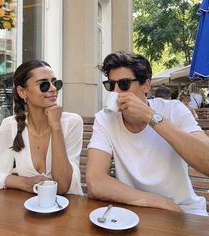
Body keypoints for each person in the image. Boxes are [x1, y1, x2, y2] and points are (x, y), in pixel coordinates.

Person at [86, 51, 209, 216]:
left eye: (123, 84)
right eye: (110, 85)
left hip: (183, 211)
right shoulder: (105, 119)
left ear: (146, 85)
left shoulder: (174, 110)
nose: (115, 92)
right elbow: (96, 182)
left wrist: (151, 117)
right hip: (133, 210)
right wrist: (159, 202)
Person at [0, 60, 83, 195]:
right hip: (28, 208)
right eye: (43, 84)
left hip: (70, 208)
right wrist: (23, 183)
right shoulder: (12, 126)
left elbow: (62, 186)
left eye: (55, 83)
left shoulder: (71, 123)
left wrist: (56, 127)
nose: (53, 88)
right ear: (22, 92)